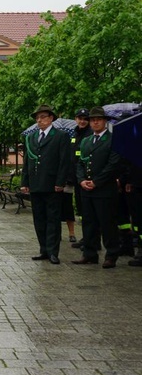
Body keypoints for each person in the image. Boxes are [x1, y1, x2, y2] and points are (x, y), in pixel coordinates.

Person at [71, 107, 122, 268]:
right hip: (86, 189)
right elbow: (80, 163)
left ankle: (111, 254)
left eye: (99, 119)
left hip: (104, 189)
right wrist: (81, 181)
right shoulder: (85, 141)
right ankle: (89, 253)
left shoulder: (113, 139)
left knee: (107, 223)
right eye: (93, 119)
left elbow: (113, 164)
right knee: (89, 223)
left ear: (105, 121)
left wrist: (96, 182)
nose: (95, 122)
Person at [20, 105, 70, 265]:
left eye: (42, 117)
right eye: (37, 118)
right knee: (39, 219)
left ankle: (53, 252)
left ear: (50, 118)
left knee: (53, 219)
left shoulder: (60, 136)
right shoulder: (32, 137)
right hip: (36, 184)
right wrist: (24, 182)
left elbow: (64, 161)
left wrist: (60, 182)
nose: (39, 120)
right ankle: (43, 249)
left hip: (52, 185)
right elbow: (27, 161)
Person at [69, 108, 92, 248]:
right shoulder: (75, 134)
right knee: (81, 210)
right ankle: (85, 238)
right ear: (75, 119)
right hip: (76, 179)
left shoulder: (89, 134)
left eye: (85, 119)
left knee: (88, 211)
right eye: (80, 118)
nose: (82, 121)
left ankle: (90, 240)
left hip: (86, 179)